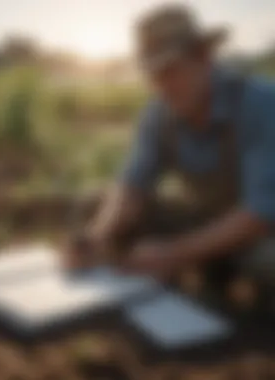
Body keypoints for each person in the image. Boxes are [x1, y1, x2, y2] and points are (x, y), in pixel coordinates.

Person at [65, 3, 275, 291]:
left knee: (267, 261)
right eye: (153, 76)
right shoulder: (159, 112)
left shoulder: (261, 103)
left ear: (203, 57)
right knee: (96, 206)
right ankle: (196, 274)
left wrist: (173, 253)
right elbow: (132, 187)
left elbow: (260, 215)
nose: (161, 86)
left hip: (263, 232)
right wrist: (97, 236)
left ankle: (251, 316)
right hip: (207, 219)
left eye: (169, 71)